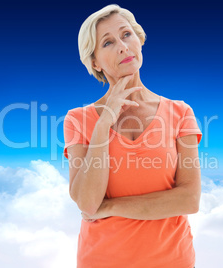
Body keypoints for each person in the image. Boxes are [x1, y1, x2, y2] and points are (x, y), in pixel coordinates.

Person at [63, 4, 202, 268]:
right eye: (107, 43)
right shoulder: (78, 120)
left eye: (127, 35)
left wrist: (111, 207)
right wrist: (104, 124)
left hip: (173, 261)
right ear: (94, 62)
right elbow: (88, 202)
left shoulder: (181, 112)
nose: (123, 47)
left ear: (139, 40)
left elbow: (189, 199)